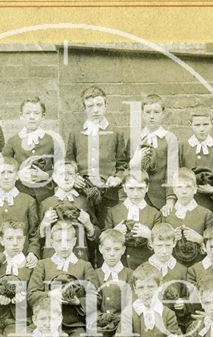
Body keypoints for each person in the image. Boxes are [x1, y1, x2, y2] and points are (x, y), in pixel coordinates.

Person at [27, 221, 100, 337]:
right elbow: (31, 295)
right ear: (52, 242)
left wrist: (76, 302)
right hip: (46, 324)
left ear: (74, 241)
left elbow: (96, 297)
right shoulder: (43, 265)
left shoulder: (84, 266)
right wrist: (50, 294)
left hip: (73, 324)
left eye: (68, 241)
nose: (64, 246)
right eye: (59, 241)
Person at [66, 86, 127, 225]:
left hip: (108, 193)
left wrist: (117, 178)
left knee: (106, 229)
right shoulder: (76, 133)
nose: (95, 110)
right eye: (90, 106)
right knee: (84, 229)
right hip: (82, 193)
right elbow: (69, 161)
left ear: (106, 106)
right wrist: (73, 177)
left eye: (99, 105)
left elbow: (122, 164)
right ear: (84, 108)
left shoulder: (116, 133)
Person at [0, 157, 40, 265]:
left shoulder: (28, 201)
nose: (6, 177)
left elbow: (34, 233)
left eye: (10, 172)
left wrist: (32, 252)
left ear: (17, 176)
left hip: (22, 260)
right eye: (2, 173)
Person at [127, 94, 179, 212]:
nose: (152, 116)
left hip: (160, 198)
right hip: (137, 195)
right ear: (142, 114)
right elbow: (128, 169)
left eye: (156, 112)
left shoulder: (170, 138)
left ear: (163, 114)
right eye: (148, 112)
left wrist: (170, 199)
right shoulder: (135, 138)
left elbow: (172, 171)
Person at [38, 160, 99, 262]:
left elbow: (97, 235)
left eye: (70, 174)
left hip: (79, 257)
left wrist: (89, 225)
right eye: (61, 174)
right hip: (52, 258)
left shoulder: (84, 202)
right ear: (54, 177)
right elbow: (36, 238)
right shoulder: (46, 203)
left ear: (76, 176)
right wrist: (43, 224)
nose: (66, 178)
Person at [2, 96, 56, 203]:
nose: (32, 117)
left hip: (45, 195)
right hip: (20, 194)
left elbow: (62, 167)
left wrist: (46, 175)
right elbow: (3, 166)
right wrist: (17, 174)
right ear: (21, 116)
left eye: (36, 113)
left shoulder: (51, 140)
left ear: (43, 116)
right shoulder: (13, 141)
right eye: (27, 113)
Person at [105, 170, 162, 269]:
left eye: (140, 188)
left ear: (147, 188)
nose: (135, 193)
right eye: (131, 188)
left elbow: (162, 246)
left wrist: (149, 235)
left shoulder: (155, 214)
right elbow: (103, 241)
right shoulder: (113, 212)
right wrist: (114, 233)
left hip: (146, 267)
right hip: (119, 267)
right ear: (124, 188)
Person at [163, 168, 213, 268]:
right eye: (179, 187)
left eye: (188, 187)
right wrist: (171, 238)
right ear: (174, 190)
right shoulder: (167, 214)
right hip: (172, 269)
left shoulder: (206, 214)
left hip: (199, 268)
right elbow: (159, 243)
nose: (184, 191)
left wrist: (200, 239)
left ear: (195, 189)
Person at [178, 107, 213, 211]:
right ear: (190, 124)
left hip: (210, 204)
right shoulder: (182, 147)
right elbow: (177, 174)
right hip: (187, 202)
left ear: (212, 123)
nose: (201, 129)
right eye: (197, 125)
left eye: (205, 124)